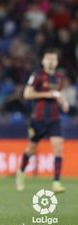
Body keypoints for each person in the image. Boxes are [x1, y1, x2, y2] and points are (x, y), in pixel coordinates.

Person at [15, 49, 69, 193]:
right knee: (31, 149)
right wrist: (48, 94)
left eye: (53, 59)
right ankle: (21, 172)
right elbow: (27, 94)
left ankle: (56, 182)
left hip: (54, 118)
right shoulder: (37, 76)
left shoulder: (59, 77)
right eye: (48, 59)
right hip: (38, 119)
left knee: (58, 148)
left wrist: (63, 102)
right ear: (43, 61)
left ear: (57, 62)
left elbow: (58, 94)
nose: (51, 61)